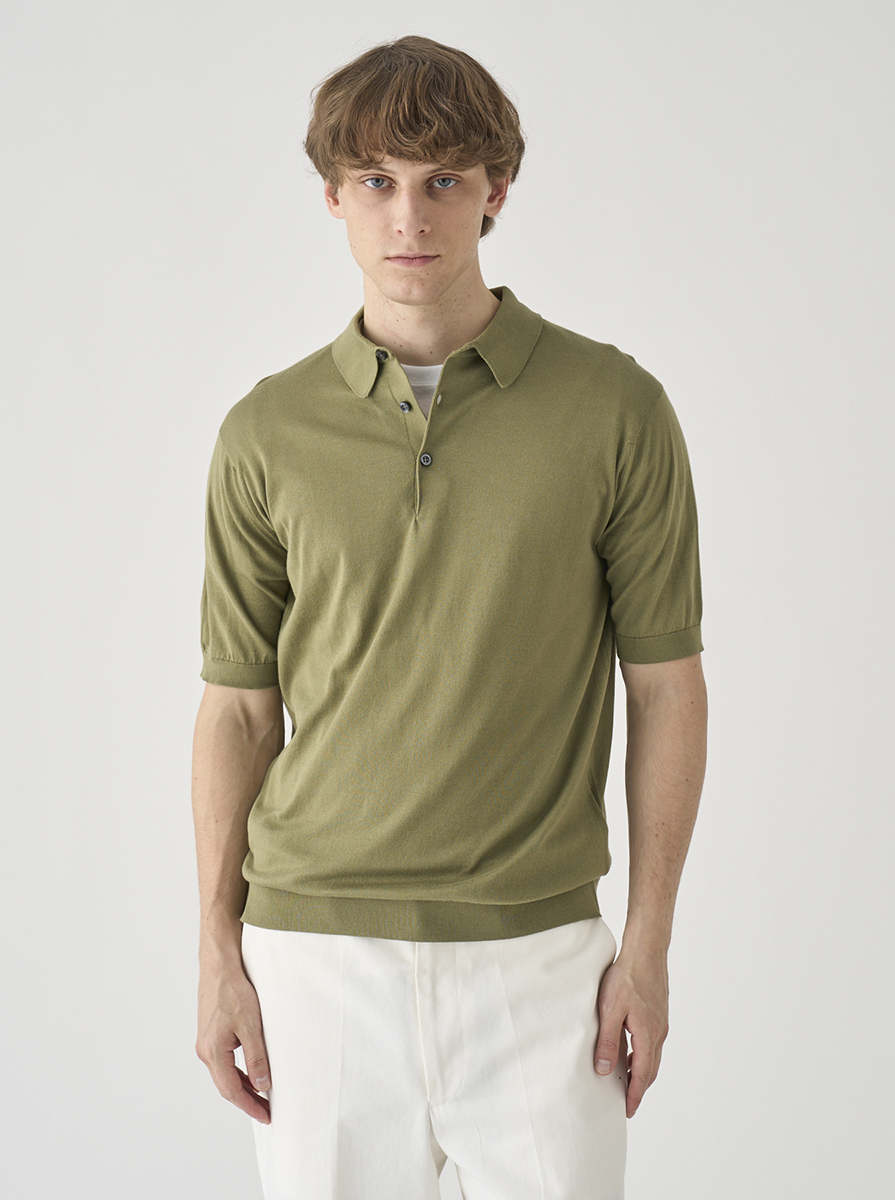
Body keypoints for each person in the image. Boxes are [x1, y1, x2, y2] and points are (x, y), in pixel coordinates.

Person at [192, 33, 707, 1200]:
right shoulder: (266, 433)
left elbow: (666, 686)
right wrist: (218, 952)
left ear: (497, 191)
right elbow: (236, 710)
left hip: (543, 964)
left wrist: (649, 944)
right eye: (376, 180)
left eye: (444, 181)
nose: (409, 217)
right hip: (315, 962)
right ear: (333, 196)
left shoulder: (615, 409)